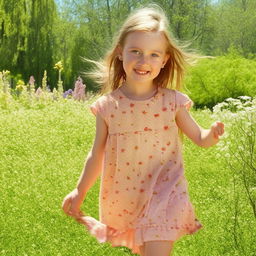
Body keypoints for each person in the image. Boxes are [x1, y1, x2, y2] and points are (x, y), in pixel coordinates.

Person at [62, 5, 225, 256]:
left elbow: (200, 138)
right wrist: (79, 190)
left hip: (166, 193)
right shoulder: (107, 108)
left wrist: (211, 134)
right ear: (120, 53)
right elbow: (96, 155)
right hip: (127, 199)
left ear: (165, 59)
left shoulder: (173, 102)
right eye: (135, 51)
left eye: (153, 54)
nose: (143, 61)